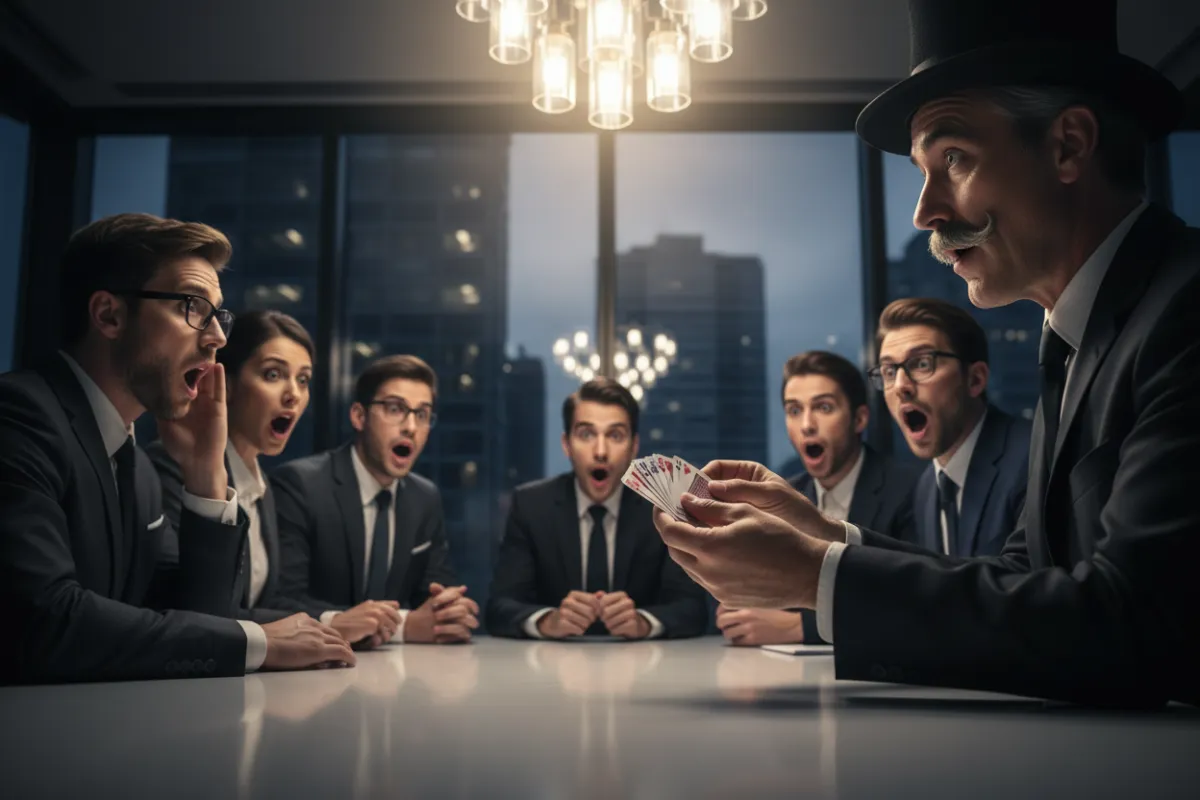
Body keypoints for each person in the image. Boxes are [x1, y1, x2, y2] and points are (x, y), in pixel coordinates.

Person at [653, 0, 1200, 706]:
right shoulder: (1082, 340)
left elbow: (1137, 625)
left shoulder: (1184, 313)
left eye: (954, 160)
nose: (924, 210)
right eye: (923, 171)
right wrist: (824, 537)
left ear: (1068, 146)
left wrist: (815, 575)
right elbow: (1022, 573)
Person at [0, 213, 354, 683]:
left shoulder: (139, 470)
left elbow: (192, 616)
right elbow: (45, 620)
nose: (217, 337)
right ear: (109, 315)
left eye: (217, 314)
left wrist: (206, 473)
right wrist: (256, 643)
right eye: (192, 305)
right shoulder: (18, 415)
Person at [146, 310, 402, 646]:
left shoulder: (262, 489)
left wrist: (333, 621)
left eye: (304, 380)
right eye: (273, 374)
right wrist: (332, 625)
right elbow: (193, 610)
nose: (294, 394)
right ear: (229, 383)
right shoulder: (174, 466)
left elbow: (262, 605)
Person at [718, 351, 921, 646]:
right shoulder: (783, 497)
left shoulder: (910, 490)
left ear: (859, 418)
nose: (806, 425)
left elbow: (914, 600)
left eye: (824, 407)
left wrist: (804, 628)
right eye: (794, 410)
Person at [272, 354, 478, 644]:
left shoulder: (424, 497)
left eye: (422, 414)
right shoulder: (301, 485)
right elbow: (280, 602)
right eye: (395, 409)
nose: (411, 426)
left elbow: (434, 592)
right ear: (359, 416)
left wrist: (449, 611)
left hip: (398, 675)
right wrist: (403, 626)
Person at [487, 378, 708, 640]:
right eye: (586, 434)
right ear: (566, 444)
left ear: (633, 447)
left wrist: (644, 623)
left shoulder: (662, 510)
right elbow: (499, 608)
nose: (600, 451)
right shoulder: (530, 505)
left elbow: (693, 609)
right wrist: (549, 621)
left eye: (615, 435)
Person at [872, 299, 1031, 557]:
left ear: (975, 379)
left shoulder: (1032, 458)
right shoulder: (925, 489)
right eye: (889, 371)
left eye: (922, 363)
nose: (900, 385)